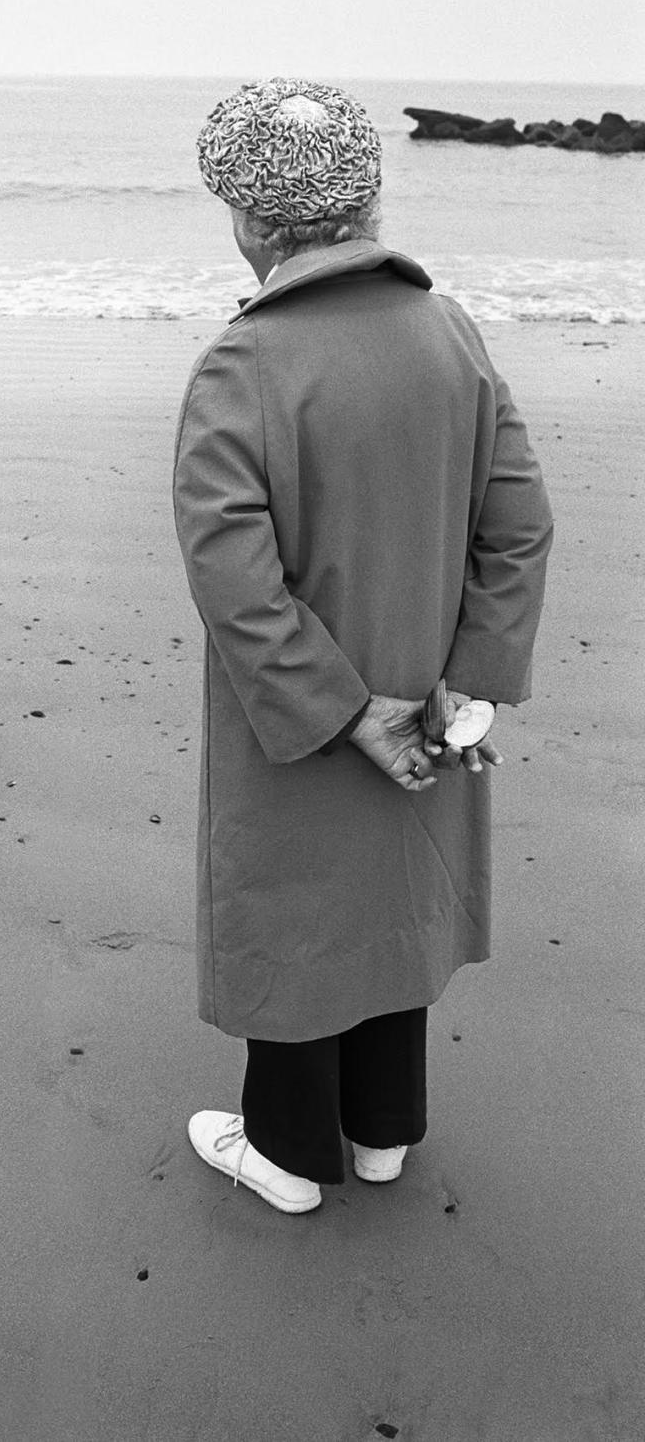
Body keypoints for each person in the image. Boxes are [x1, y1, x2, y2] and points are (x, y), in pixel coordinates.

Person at [172, 78, 553, 1214]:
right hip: (429, 704)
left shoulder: (244, 363)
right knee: (395, 898)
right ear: (369, 198)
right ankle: (383, 1129)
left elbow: (236, 581)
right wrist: (466, 691)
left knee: (294, 907)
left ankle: (289, 1152)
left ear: (253, 220)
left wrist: (343, 712)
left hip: (306, 718)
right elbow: (519, 526)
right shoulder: (449, 332)